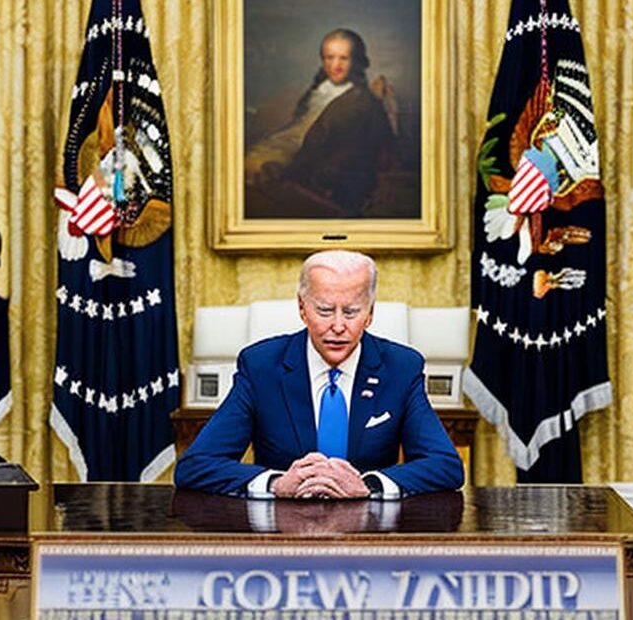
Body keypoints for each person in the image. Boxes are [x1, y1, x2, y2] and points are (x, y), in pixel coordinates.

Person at [174, 250, 464, 499]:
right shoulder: (261, 366)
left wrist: (368, 485)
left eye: (351, 312)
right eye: (324, 311)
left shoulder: (401, 367)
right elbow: (196, 465)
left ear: (370, 313)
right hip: (281, 532)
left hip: (370, 533)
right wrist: (276, 483)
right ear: (302, 308)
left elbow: (445, 465)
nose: (337, 326)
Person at [244, 29, 397, 218]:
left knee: (259, 171)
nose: (335, 65)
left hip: (322, 158)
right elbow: (298, 121)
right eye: (329, 58)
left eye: (343, 58)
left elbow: (349, 146)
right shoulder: (320, 89)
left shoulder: (359, 100)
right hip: (294, 141)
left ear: (356, 60)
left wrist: (295, 167)